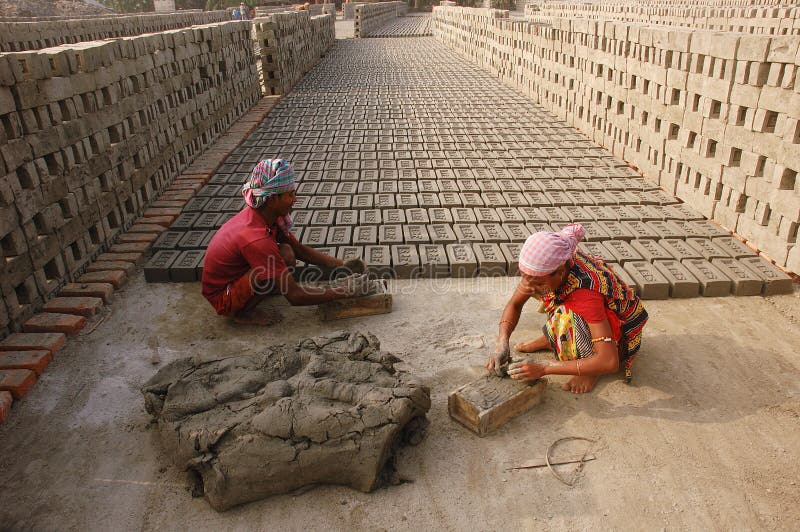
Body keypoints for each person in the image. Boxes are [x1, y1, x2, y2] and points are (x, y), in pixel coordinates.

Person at [486, 224, 648, 394]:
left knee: (569, 312)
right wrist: (502, 342)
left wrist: (545, 368)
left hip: (617, 337)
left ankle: (591, 367)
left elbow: (609, 361)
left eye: (539, 282)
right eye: (526, 278)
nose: (530, 287)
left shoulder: (585, 293)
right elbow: (514, 304)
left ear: (560, 271)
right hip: (587, 311)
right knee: (555, 299)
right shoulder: (552, 266)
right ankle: (552, 340)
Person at [201, 159, 367, 325]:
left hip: (239, 274)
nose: (295, 199)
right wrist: (343, 291)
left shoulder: (267, 215)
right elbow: (294, 296)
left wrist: (343, 264)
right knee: (276, 260)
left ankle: (267, 286)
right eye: (290, 194)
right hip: (224, 297)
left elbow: (299, 250)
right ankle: (243, 312)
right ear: (273, 198)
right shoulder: (256, 238)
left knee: (286, 252)